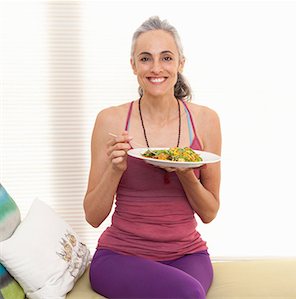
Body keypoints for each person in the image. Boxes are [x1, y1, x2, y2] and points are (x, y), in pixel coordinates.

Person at [83, 16, 221, 299]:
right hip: (120, 255)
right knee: (188, 294)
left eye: (166, 58)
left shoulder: (206, 120)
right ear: (133, 65)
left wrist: (186, 174)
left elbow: (209, 213)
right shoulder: (111, 120)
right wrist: (115, 169)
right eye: (146, 58)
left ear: (181, 63)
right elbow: (93, 217)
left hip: (188, 254)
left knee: (187, 291)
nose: (156, 68)